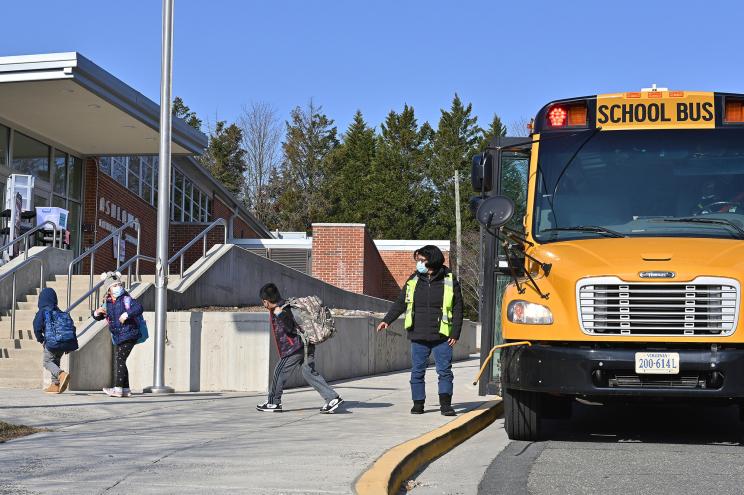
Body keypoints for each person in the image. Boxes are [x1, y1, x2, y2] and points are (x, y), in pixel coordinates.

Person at [376, 245, 463, 416]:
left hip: (442, 336)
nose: (419, 263)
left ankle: (445, 405)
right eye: (418, 260)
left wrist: (455, 332)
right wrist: (387, 320)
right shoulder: (413, 280)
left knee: (444, 371)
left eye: (422, 260)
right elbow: (401, 302)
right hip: (418, 334)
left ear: (433, 260)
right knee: (417, 371)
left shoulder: (450, 280)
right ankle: (418, 403)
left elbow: (459, 308)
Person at [256, 283, 343, 414]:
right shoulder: (286, 304)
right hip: (307, 344)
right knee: (308, 372)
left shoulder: (281, 310)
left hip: (294, 348)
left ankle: (273, 403)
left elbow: (290, 327)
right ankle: (332, 398)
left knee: (279, 373)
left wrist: (280, 315)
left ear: (265, 301)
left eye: (263, 302)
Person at [92, 274, 143, 398]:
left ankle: (118, 389)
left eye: (119, 285)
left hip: (130, 333)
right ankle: (125, 389)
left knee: (119, 359)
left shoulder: (127, 299)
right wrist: (96, 313)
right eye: (114, 285)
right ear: (108, 289)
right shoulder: (108, 303)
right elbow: (99, 317)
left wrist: (127, 314)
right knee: (121, 360)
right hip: (119, 335)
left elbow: (139, 308)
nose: (118, 287)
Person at [33, 287, 77, 394]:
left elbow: (37, 327)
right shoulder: (60, 312)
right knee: (55, 361)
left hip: (51, 343)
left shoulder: (42, 311)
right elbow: (72, 327)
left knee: (47, 362)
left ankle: (61, 375)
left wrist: (41, 340)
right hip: (64, 343)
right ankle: (55, 385)